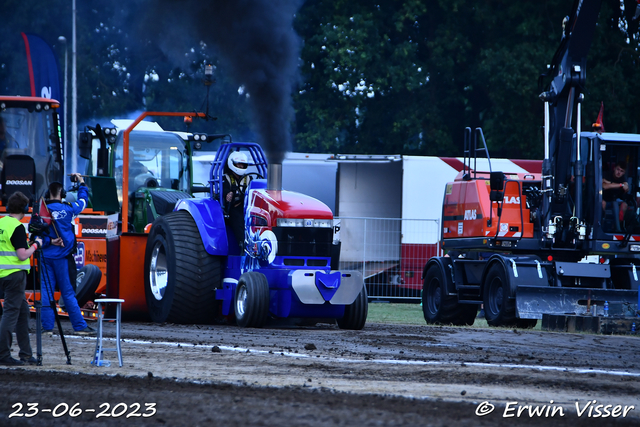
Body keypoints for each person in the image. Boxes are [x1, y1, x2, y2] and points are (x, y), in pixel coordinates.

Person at [39, 174, 95, 335]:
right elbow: (84, 200)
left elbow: (34, 236)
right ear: (62, 194)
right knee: (68, 293)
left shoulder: (42, 212)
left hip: (46, 257)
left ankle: (47, 328)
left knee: (46, 292)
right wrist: (82, 183)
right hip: (63, 259)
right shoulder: (69, 209)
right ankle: (79, 326)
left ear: (47, 193)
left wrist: (49, 242)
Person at [0, 191, 42, 365]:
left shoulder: (2, 223)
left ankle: (26, 354)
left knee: (23, 312)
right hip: (15, 275)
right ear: (25, 208)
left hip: (3, 275)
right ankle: (3, 355)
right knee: (10, 315)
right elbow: (23, 255)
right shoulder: (16, 227)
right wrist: (36, 245)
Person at [223, 151, 251, 251]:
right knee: (237, 216)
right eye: (238, 164)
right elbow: (224, 192)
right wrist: (228, 194)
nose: (241, 166)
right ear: (232, 164)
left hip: (247, 207)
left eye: (243, 164)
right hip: (231, 209)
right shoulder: (225, 178)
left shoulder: (249, 178)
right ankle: (243, 245)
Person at [602, 161, 630, 231]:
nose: (619, 172)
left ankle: (619, 226)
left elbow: (626, 188)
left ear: (624, 173)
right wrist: (620, 185)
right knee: (602, 203)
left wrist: (610, 183)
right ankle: (602, 224)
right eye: (618, 169)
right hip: (606, 200)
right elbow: (604, 186)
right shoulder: (607, 174)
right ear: (614, 168)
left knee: (624, 205)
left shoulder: (623, 178)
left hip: (616, 201)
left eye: (621, 171)